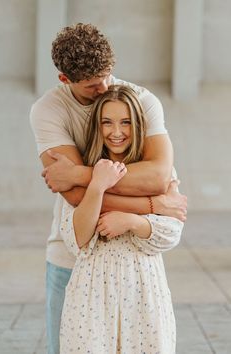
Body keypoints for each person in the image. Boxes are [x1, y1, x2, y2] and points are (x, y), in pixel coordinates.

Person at [30, 23, 187, 354]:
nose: (104, 87)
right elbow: (73, 196)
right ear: (65, 80)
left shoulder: (139, 101)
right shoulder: (49, 110)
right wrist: (154, 206)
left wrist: (84, 177)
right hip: (73, 257)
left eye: (107, 75)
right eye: (91, 85)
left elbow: (159, 178)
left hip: (137, 270)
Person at [59, 85, 184, 353]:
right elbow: (77, 239)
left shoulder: (157, 173)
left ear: (138, 124)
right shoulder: (85, 171)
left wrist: (131, 221)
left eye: (125, 122)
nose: (116, 132)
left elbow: (172, 231)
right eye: (107, 122)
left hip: (144, 291)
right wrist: (97, 184)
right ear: (97, 126)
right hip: (91, 294)